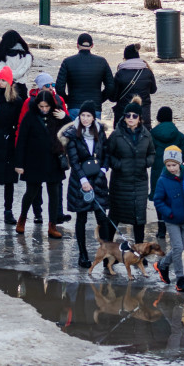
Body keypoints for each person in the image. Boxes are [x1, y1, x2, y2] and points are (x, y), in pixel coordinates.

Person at [61, 101, 111, 264]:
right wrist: (83, 180)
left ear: (93, 117)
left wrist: (103, 172)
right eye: (82, 115)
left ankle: (106, 253)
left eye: (88, 115)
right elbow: (73, 160)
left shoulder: (100, 131)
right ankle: (82, 255)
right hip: (79, 181)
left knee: (102, 218)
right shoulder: (72, 133)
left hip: (98, 179)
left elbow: (106, 154)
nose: (85, 118)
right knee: (81, 218)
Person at [14, 90, 68, 239]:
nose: (44, 109)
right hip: (34, 160)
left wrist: (65, 117)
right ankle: (22, 218)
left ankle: (52, 225)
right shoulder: (30, 117)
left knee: (54, 193)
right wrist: (19, 163)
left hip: (53, 160)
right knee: (31, 192)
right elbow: (22, 140)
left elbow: (71, 130)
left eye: (46, 106)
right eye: (41, 106)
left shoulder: (57, 115)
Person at [107, 97, 154, 244]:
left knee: (139, 218)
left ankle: (139, 251)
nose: (131, 118)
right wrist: (119, 165)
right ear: (124, 117)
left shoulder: (146, 134)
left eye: (134, 116)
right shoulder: (116, 134)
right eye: (128, 115)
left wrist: (146, 163)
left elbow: (152, 153)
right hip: (120, 183)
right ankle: (107, 251)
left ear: (140, 118)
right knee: (114, 216)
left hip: (139, 182)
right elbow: (108, 155)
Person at [0, 67, 25, 224]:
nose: (1, 82)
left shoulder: (16, 101)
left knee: (9, 180)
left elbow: (19, 121)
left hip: (9, 142)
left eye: (4, 80)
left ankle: (8, 210)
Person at [153, 146, 184, 291]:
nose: (171, 168)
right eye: (168, 165)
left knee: (180, 248)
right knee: (178, 247)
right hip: (172, 219)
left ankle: (162, 265)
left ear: (179, 163)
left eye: (174, 165)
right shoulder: (163, 180)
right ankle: (180, 279)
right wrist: (169, 212)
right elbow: (158, 200)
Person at [55, 32, 114, 118]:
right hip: (94, 107)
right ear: (92, 45)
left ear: (77, 45)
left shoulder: (68, 62)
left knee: (74, 131)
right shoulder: (102, 62)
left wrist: (68, 100)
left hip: (74, 106)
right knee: (93, 131)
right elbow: (110, 86)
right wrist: (99, 99)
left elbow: (59, 87)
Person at [149, 106, 184, 239]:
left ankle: (161, 229)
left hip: (158, 171)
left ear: (158, 118)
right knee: (174, 197)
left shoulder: (152, 134)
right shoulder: (179, 135)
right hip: (174, 172)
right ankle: (174, 227)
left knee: (159, 198)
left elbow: (149, 152)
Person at [112, 43, 157, 126]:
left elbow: (113, 97)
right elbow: (153, 90)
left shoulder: (120, 73)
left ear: (125, 58)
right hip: (143, 116)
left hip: (124, 116)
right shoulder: (148, 72)